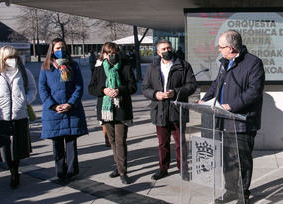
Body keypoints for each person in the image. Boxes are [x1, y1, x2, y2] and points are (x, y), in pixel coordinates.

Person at [199, 30, 265, 204]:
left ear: (229, 48)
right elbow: (216, 85)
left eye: (220, 47)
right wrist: (205, 100)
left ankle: (243, 194)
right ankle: (230, 191)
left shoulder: (253, 63)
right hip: (222, 121)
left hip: (242, 122)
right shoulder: (224, 63)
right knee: (227, 160)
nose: (219, 50)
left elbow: (253, 92)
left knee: (242, 161)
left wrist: (230, 106)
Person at [0, 45, 37, 189]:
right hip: (1, 115)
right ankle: (11, 169)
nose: (12, 60)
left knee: (17, 148)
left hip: (19, 115)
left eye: (14, 56)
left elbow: (32, 89)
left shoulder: (24, 72)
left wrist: (26, 100)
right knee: (5, 146)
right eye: (8, 57)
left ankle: (15, 171)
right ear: (2, 58)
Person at [142, 39, 197, 181]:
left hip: (177, 109)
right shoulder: (152, 67)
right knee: (162, 143)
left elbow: (191, 85)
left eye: (169, 48)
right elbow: (145, 88)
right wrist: (155, 94)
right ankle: (163, 168)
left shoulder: (183, 65)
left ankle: (183, 169)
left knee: (180, 143)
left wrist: (176, 92)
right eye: (164, 49)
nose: (167, 51)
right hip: (159, 110)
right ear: (158, 52)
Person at [39, 38, 88, 183]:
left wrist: (70, 104)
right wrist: (54, 106)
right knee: (57, 143)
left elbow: (79, 87)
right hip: (54, 111)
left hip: (71, 109)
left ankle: (72, 171)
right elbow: (43, 89)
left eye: (63, 47)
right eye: (58, 48)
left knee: (71, 143)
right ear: (52, 50)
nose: (61, 50)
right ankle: (60, 171)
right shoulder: (46, 67)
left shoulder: (73, 65)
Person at [88, 42, 137, 184]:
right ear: (104, 54)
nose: (112, 56)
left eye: (115, 53)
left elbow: (133, 86)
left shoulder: (125, 66)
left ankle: (122, 171)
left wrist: (119, 90)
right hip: (106, 110)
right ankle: (118, 166)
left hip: (121, 109)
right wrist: (104, 90)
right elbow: (91, 88)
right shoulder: (98, 69)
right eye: (109, 53)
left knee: (120, 141)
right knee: (112, 141)